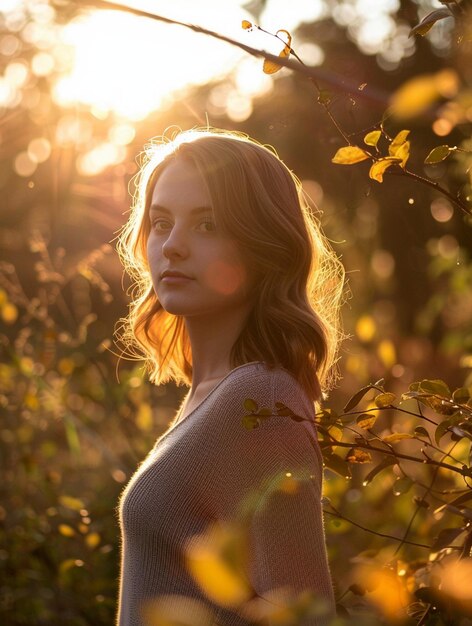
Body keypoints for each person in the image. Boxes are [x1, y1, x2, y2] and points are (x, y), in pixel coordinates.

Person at [115, 128, 345, 626]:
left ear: (265, 245)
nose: (172, 246)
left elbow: (304, 614)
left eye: (207, 224)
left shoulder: (257, 398)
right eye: (160, 222)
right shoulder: (212, 394)